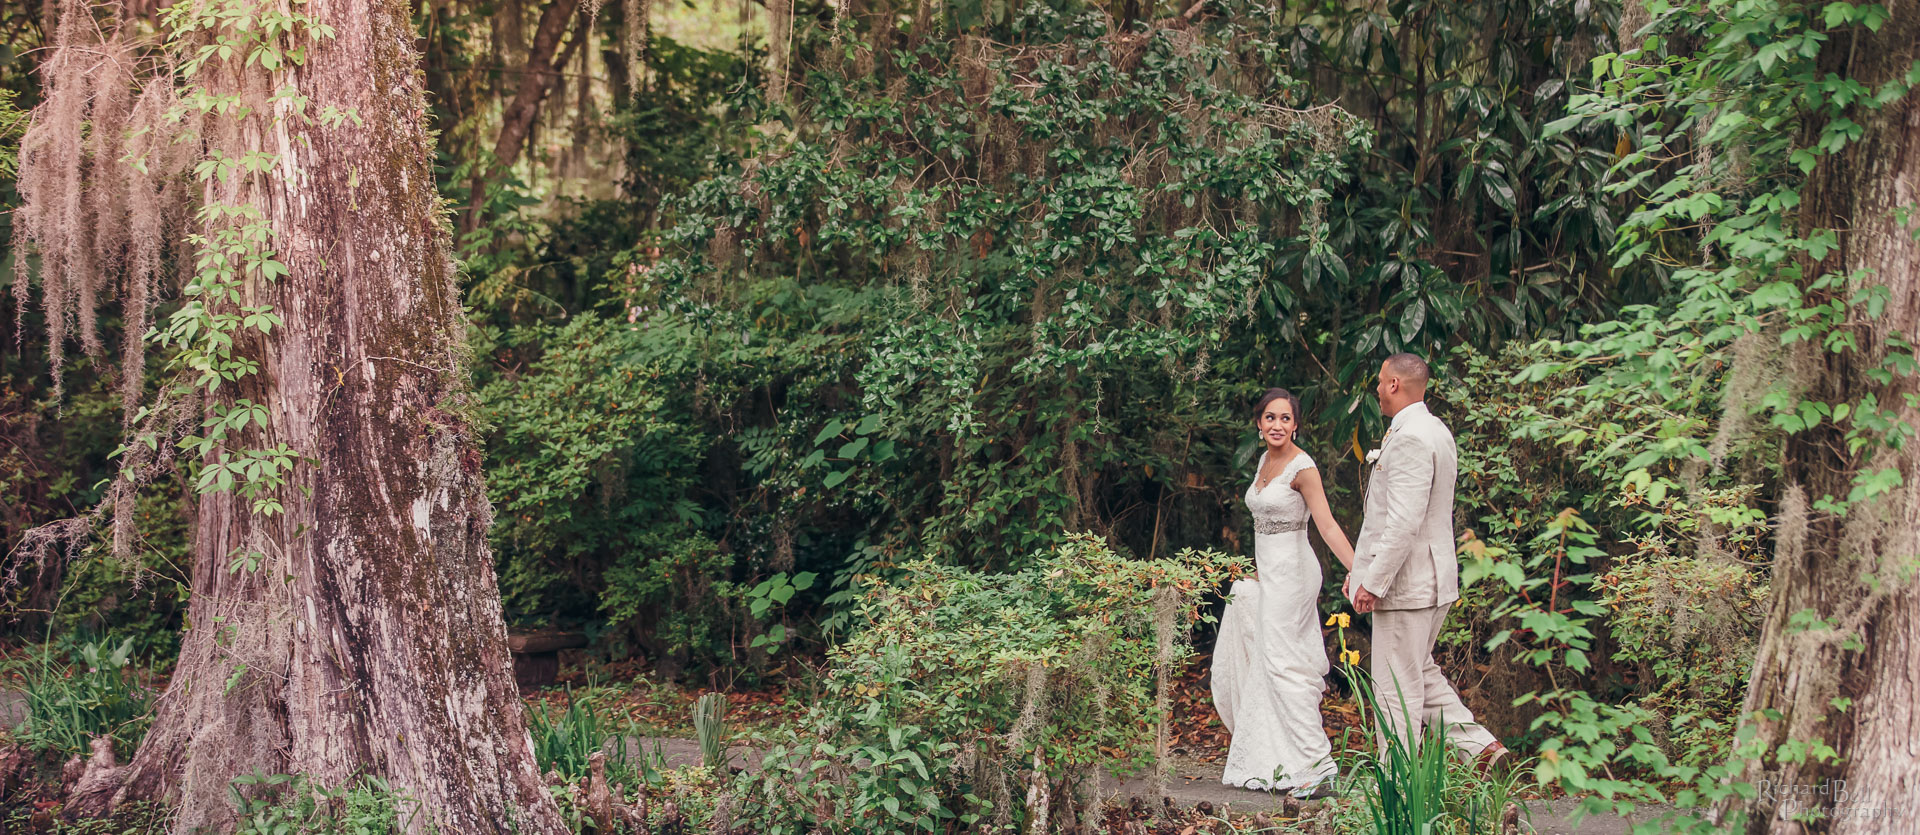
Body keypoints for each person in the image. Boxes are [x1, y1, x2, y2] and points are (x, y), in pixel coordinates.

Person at [1348, 354, 1509, 770]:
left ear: (1396, 385)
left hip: (1408, 586)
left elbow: (1402, 522)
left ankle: (1396, 783)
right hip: (1432, 580)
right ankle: (1484, 751)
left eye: (1382, 382)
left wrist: (1373, 581)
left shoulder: (1411, 438)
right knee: (1419, 669)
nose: (1378, 390)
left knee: (1395, 689)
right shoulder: (1436, 430)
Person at [1212, 387, 1356, 797]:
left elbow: (1326, 525)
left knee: (1284, 663)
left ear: (1296, 424)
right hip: (1270, 573)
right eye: (1270, 418)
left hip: (1294, 573)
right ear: (1259, 423)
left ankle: (1319, 764)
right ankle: (1285, 759)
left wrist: (1359, 572)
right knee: (1271, 658)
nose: (1278, 425)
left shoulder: (1302, 468)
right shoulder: (1263, 461)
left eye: (1286, 418)